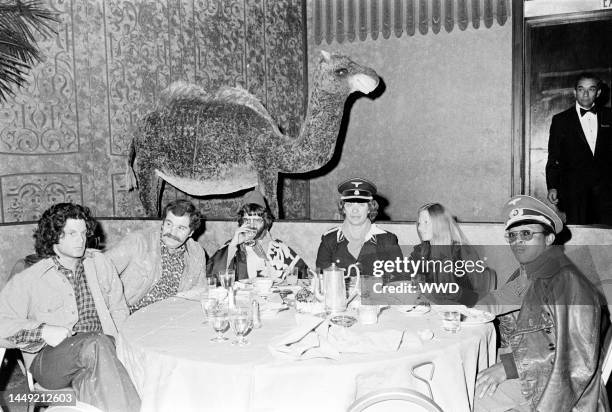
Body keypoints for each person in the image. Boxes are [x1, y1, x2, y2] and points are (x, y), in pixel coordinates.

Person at [0, 203, 140, 411]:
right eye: (72, 233)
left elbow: (119, 310)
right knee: (96, 344)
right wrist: (43, 331)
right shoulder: (30, 274)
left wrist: (122, 344)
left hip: (102, 351)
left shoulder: (100, 263)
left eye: (83, 233)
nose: (81, 239)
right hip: (50, 361)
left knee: (95, 377)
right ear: (54, 235)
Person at [474, 195, 609, 411]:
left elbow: (575, 362)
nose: (517, 242)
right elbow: (498, 299)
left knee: (472, 398)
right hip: (533, 365)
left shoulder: (567, 282)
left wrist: (508, 367)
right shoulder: (530, 273)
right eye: (512, 235)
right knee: (466, 372)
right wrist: (461, 309)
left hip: (559, 390)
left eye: (526, 234)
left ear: (548, 239)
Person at [105, 199, 207, 312]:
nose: (172, 232)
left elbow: (201, 289)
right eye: (169, 224)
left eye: (181, 228)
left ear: (191, 233)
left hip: (171, 316)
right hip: (132, 314)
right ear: (163, 223)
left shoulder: (196, 253)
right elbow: (100, 268)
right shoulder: (139, 242)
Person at [546, 72, 612, 225]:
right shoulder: (560, 120)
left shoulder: (610, 116)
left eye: (591, 89)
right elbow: (554, 156)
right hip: (575, 193)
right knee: (579, 240)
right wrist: (552, 186)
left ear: (598, 92)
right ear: (574, 92)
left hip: (607, 193)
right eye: (581, 89)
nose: (586, 94)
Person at [207, 190, 308, 280]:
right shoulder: (232, 246)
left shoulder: (279, 248)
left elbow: (303, 274)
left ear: (265, 222)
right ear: (241, 222)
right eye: (247, 220)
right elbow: (213, 276)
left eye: (257, 220)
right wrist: (233, 245)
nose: (252, 225)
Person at [316, 177, 403, 282]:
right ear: (343, 209)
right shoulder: (329, 240)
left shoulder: (388, 240)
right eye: (349, 204)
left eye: (361, 204)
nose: (355, 210)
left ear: (369, 209)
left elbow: (398, 280)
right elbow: (321, 278)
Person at [410, 202, 494, 306]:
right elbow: (412, 283)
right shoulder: (420, 251)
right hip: (428, 310)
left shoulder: (462, 253)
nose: (420, 228)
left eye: (426, 222)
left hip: (458, 314)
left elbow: (475, 299)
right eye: (419, 223)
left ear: (440, 224)